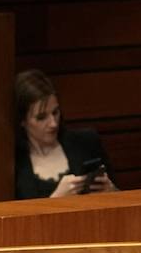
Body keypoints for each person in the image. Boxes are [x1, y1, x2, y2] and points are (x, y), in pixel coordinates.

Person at [14, 69, 117, 200]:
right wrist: (56, 199)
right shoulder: (13, 164)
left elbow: (123, 198)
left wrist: (111, 191)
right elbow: (17, 218)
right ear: (22, 121)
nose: (53, 123)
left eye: (55, 112)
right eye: (41, 117)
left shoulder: (86, 142)